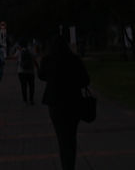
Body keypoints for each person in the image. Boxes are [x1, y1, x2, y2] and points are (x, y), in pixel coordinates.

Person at [38, 35, 90, 170]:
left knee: (62, 138)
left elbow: (41, 75)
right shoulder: (74, 60)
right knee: (71, 136)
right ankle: (70, 164)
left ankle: (66, 165)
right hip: (74, 102)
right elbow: (85, 80)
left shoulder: (48, 60)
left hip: (55, 104)